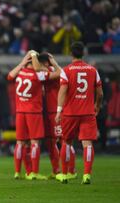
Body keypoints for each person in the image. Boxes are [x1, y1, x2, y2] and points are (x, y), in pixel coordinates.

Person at [55, 42, 103, 184]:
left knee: (67, 142)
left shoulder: (66, 70)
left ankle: (64, 174)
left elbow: (62, 91)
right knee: (87, 144)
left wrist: (58, 111)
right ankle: (86, 175)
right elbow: (100, 93)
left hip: (70, 113)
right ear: (84, 53)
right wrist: (97, 106)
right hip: (88, 112)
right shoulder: (93, 70)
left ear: (71, 54)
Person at [8, 50, 59, 180]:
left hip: (20, 112)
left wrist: (23, 61)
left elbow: (9, 76)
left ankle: (17, 172)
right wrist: (51, 61)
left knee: (20, 143)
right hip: (33, 112)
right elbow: (59, 74)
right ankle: (34, 172)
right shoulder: (39, 75)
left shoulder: (20, 73)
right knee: (34, 142)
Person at [32, 53, 77, 179]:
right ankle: (56, 170)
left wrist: (33, 54)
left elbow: (37, 68)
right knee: (51, 141)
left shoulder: (53, 72)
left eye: (41, 63)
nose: (38, 66)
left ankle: (71, 171)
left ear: (46, 63)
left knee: (64, 140)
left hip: (57, 111)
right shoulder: (51, 71)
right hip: (48, 112)